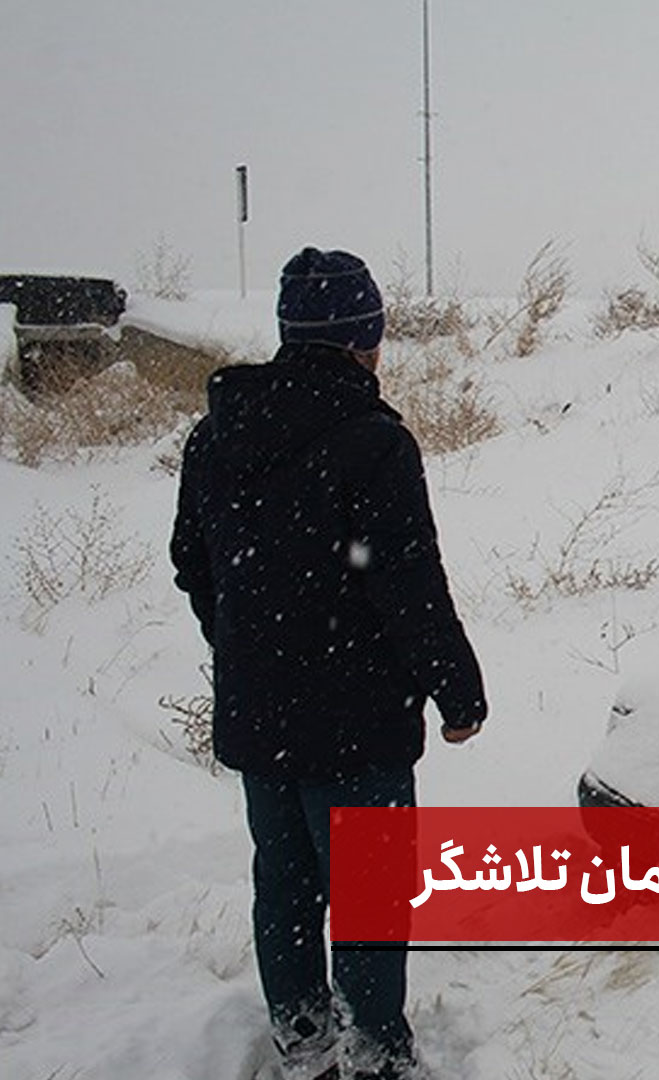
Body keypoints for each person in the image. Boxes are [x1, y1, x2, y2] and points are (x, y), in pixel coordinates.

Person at [171, 247, 488, 1080]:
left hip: (260, 710)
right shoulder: (372, 441)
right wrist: (457, 692)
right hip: (359, 720)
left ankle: (303, 1037)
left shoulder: (216, 434)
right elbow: (408, 583)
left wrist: (243, 643)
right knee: (371, 890)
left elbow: (191, 559)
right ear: (363, 337)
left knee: (284, 883)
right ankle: (376, 1049)